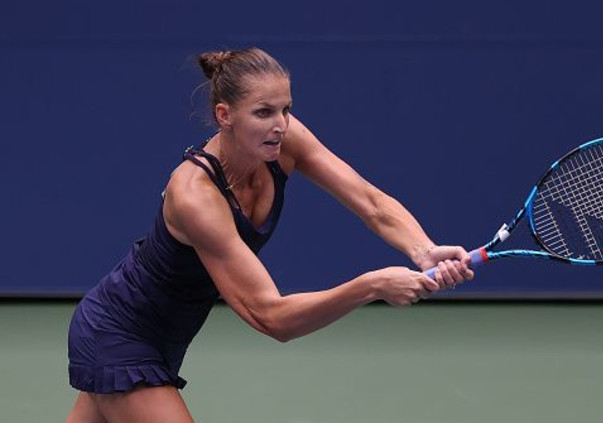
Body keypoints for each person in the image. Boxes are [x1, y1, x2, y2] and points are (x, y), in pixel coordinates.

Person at [65, 47, 474, 423]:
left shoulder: (283, 141)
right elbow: (271, 317)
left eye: (286, 109)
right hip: (117, 334)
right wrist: (373, 286)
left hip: (163, 339)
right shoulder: (195, 196)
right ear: (225, 115)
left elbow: (370, 201)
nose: (280, 125)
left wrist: (423, 249)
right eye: (263, 113)